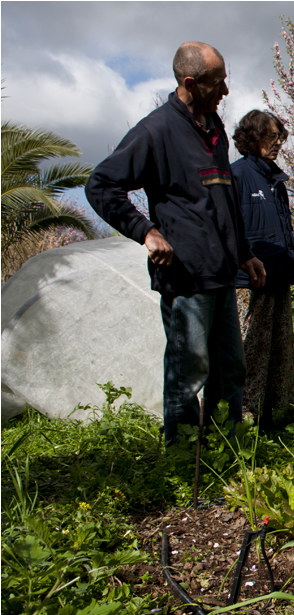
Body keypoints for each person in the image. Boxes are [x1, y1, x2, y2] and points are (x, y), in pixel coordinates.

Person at [85, 42, 266, 446]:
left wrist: (244, 253)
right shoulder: (156, 131)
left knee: (229, 368)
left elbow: (224, 199)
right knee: (189, 371)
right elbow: (101, 185)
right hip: (185, 276)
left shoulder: (214, 129)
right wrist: (145, 231)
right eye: (217, 83)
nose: (225, 91)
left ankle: (226, 452)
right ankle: (184, 458)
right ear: (190, 82)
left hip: (220, 273)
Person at [230, 111, 294, 431]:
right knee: (250, 351)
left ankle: (269, 417)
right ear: (252, 137)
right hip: (250, 280)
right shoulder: (238, 175)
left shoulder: (276, 181)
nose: (277, 144)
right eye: (270, 137)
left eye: (279, 138)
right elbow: (229, 228)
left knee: (277, 350)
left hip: (278, 276)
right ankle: (242, 419)